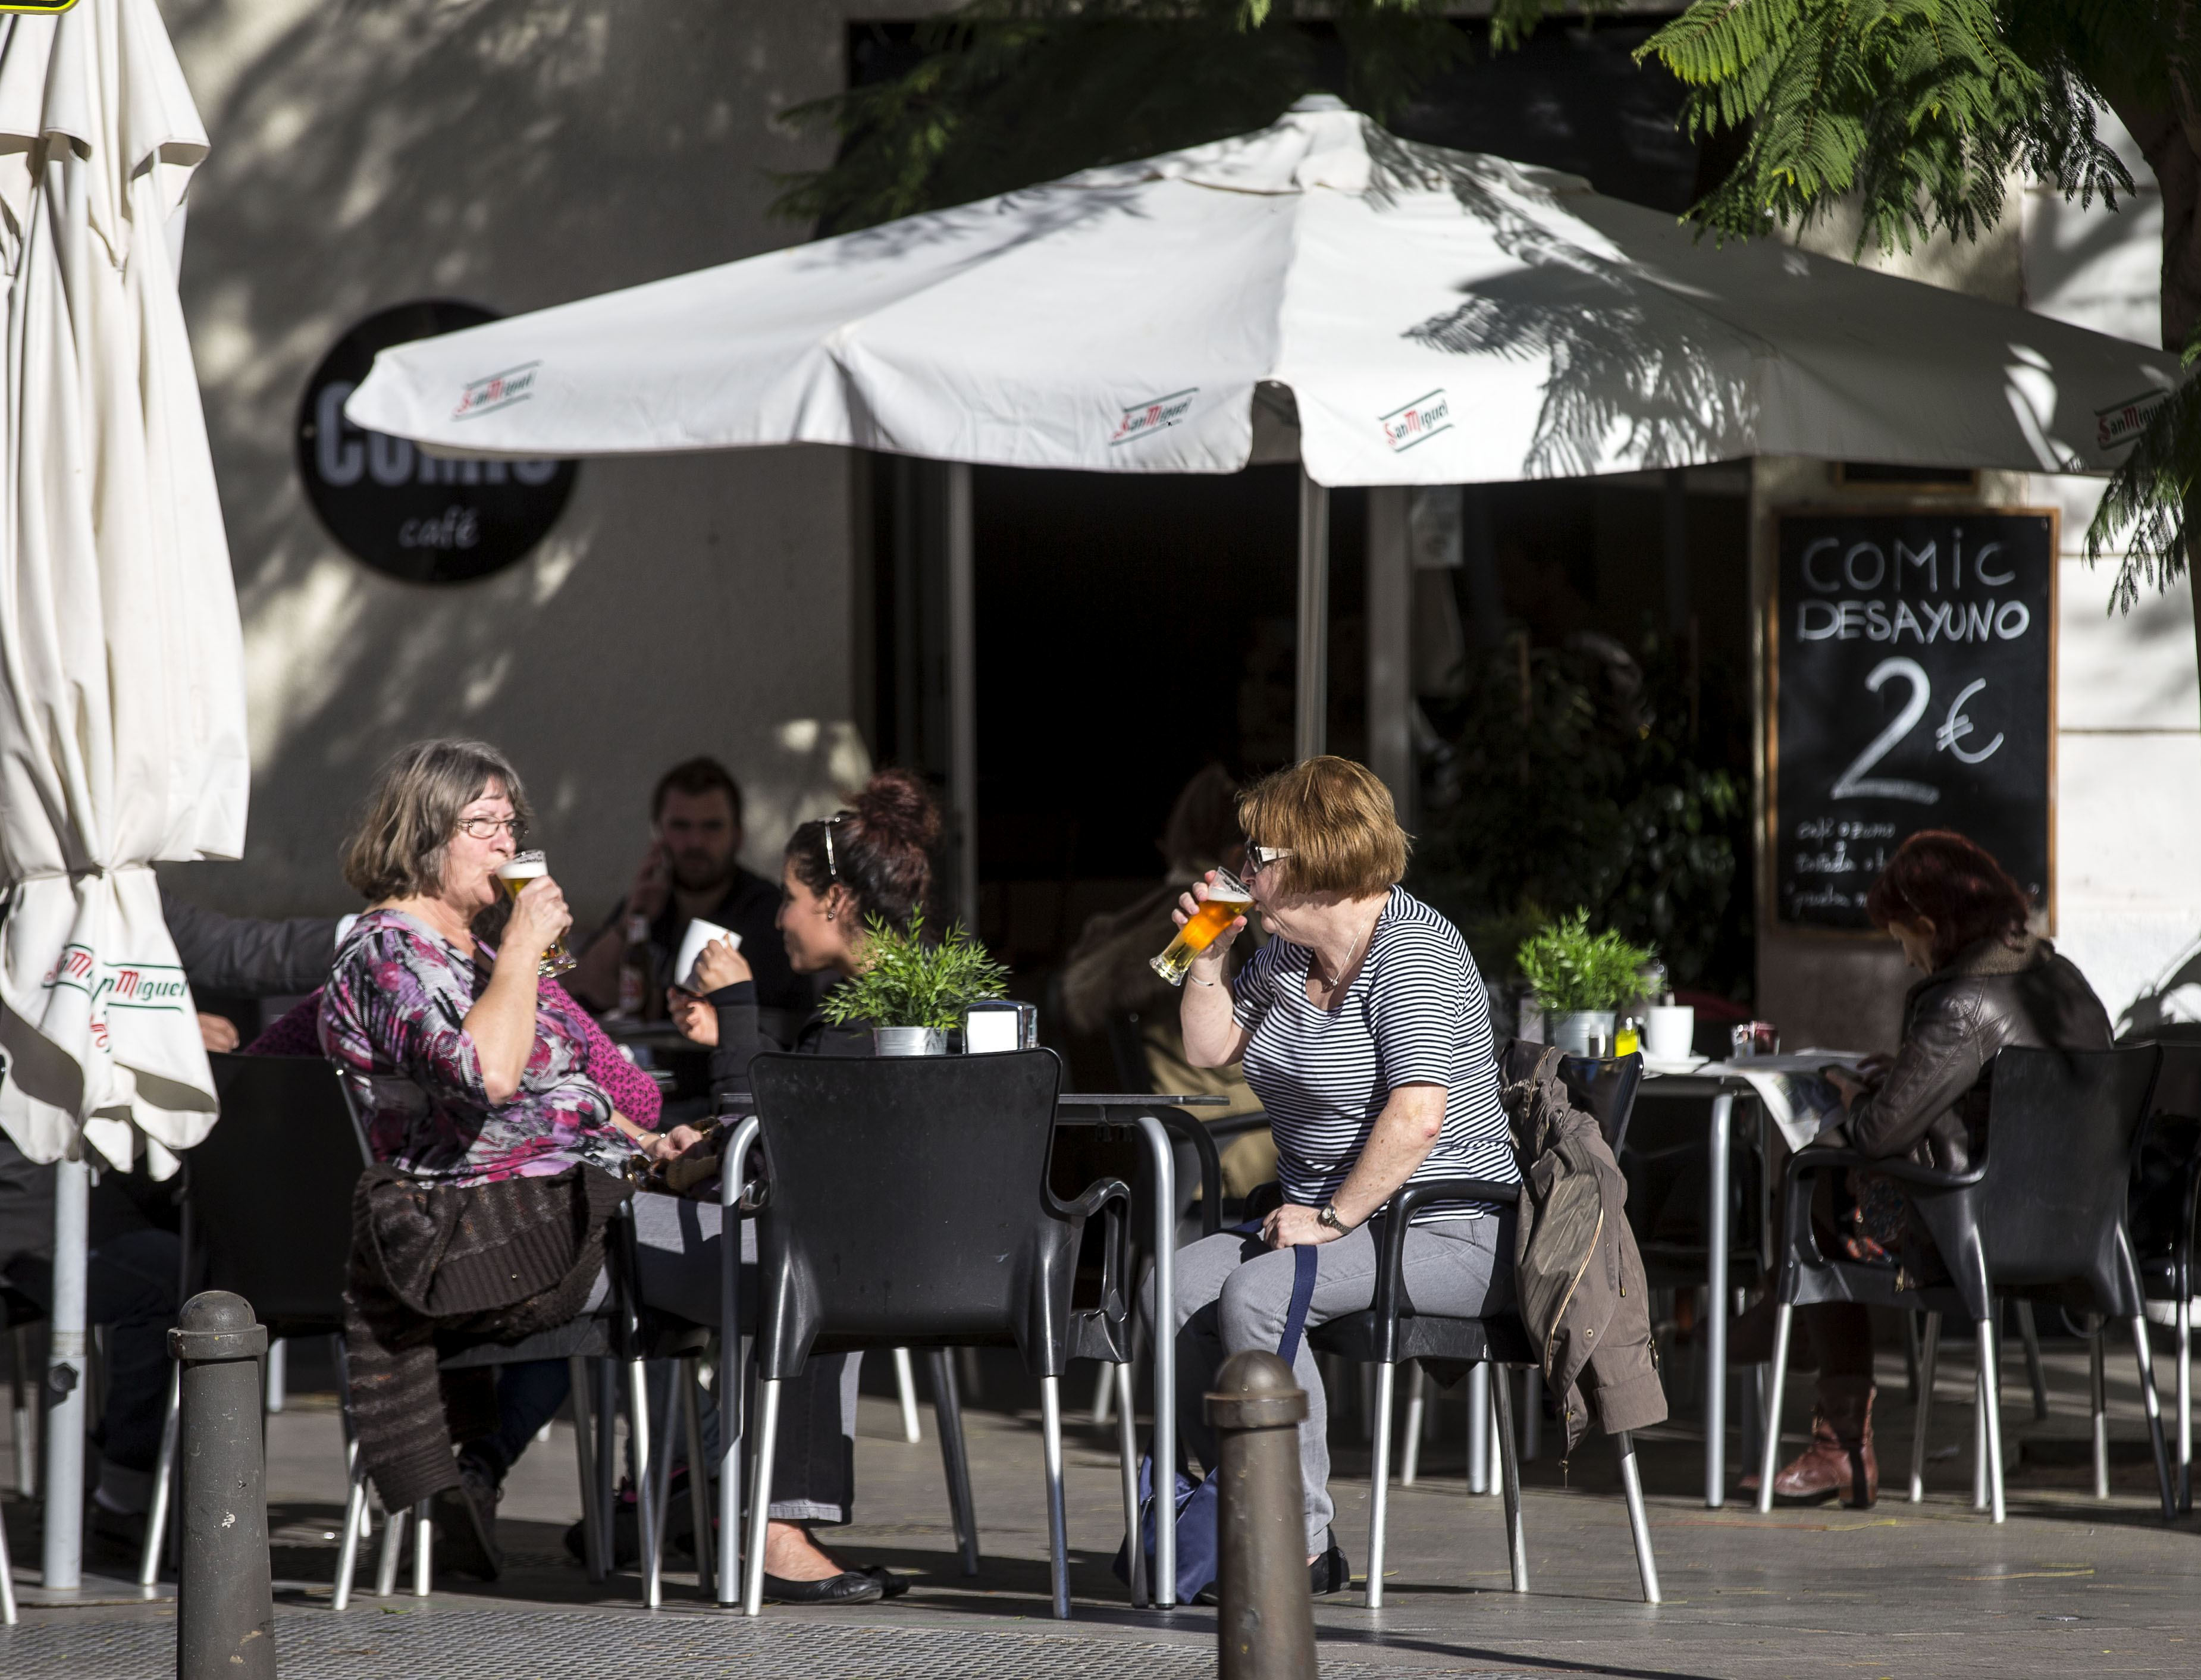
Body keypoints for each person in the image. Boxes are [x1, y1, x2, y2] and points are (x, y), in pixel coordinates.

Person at [320, 739, 880, 1603]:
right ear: (425, 834)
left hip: (569, 1203)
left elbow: (570, 1082)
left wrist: (645, 1140)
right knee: (790, 1264)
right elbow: (488, 1076)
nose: (508, 846)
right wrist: (521, 954)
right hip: (482, 1227)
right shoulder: (390, 954)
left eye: (513, 825)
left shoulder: (471, 948)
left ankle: (724, 1507)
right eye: (485, 827)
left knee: (799, 1246)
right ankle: (760, 1526)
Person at [1164, 755, 1518, 1593]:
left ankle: (1302, 1543)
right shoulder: (1288, 958)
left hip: (1451, 1224)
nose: (1243, 871)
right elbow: (1210, 1051)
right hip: (1324, 1218)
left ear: (1314, 860)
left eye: (1258, 855)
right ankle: (1231, 1502)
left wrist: (1331, 1220)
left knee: (1259, 1293)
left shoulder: (1414, 951)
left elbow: (1418, 1117)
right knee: (1172, 1287)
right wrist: (1205, 957)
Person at [1748, 829, 2111, 1508]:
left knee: (1811, 1181)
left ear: (1931, 923)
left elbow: (1882, 1134)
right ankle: (1775, 1312)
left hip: (1968, 1233)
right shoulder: (2059, 977)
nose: (1906, 958)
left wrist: (1859, 1098)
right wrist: (1908, 1080)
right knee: (1822, 1186)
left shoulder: (1958, 1000)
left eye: (1901, 939)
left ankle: (1839, 1443)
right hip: (2080, 1229)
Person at [0, 883, 341, 1552]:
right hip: (23, 1206)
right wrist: (155, 1033)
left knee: (183, 1250)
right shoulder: (34, 896)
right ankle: (124, 1494)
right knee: (167, 1279)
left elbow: (242, 948)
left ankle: (124, 1487)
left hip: (89, 1191)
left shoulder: (109, 886)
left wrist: (371, 929)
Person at [1059, 764, 1275, 1198]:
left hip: (1159, 1137)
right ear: (1236, 858)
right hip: (1219, 1139)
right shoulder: (1211, 916)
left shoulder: (1138, 919)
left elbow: (1077, 993)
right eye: (1260, 857)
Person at [568, 756, 805, 1019]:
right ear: (657, 833)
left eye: (712, 827)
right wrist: (629, 922)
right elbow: (579, 990)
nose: (695, 842)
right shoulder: (649, 899)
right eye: (681, 826)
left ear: (738, 835)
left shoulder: (767, 911)